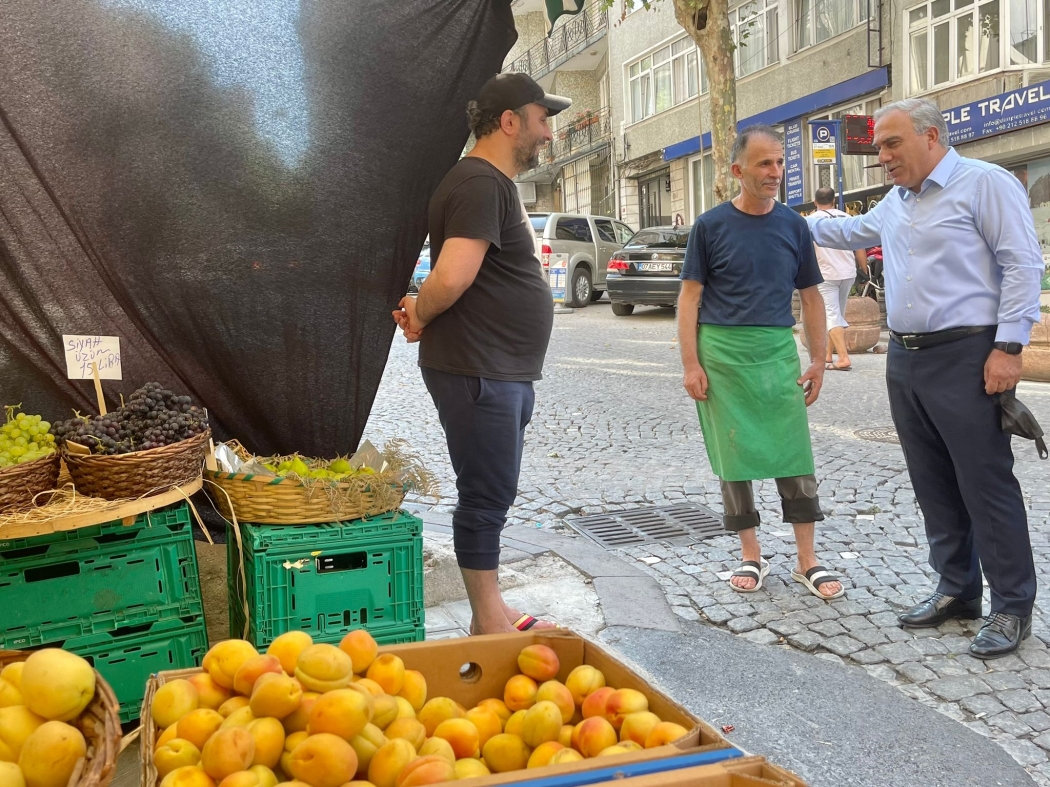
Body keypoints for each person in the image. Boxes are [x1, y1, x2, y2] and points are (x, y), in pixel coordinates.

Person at [807, 98, 1043, 659]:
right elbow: (849, 233)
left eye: (891, 144)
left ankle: (1012, 606)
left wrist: (1009, 347)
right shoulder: (896, 201)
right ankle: (958, 590)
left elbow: (1022, 264)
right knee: (932, 481)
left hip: (968, 354)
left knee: (985, 482)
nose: (882, 156)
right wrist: (771, 212)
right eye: (879, 147)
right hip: (906, 358)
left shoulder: (984, 184)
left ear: (931, 136)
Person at [392, 73, 571, 634]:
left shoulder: (488, 183)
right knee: (486, 492)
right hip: (478, 366)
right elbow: (451, 276)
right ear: (510, 121)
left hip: (493, 366)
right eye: (542, 119)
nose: (548, 132)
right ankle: (488, 619)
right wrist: (421, 313)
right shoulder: (479, 183)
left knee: (492, 487)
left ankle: (488, 613)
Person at [676, 124, 844, 601]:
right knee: (735, 458)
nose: (776, 172)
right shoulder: (709, 227)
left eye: (779, 163)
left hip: (775, 353)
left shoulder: (794, 224)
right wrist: (691, 363)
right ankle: (751, 554)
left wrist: (819, 360)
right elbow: (689, 298)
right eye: (764, 164)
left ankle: (807, 561)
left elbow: (811, 298)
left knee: (795, 454)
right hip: (721, 355)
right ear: (738, 171)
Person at [810, 188, 869, 371]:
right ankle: (828, 354)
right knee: (837, 314)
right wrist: (865, 271)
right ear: (834, 201)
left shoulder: (810, 221)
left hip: (826, 273)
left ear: (815, 202)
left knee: (832, 315)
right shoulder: (847, 217)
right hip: (848, 272)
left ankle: (843, 358)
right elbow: (859, 247)